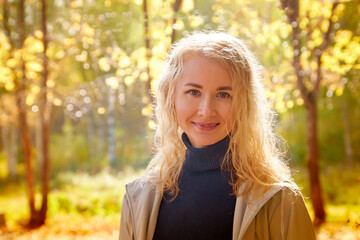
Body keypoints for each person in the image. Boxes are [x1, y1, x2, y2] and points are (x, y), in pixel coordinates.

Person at [119, 31, 316, 240]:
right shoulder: (138, 198)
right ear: (171, 96)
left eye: (223, 95)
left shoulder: (279, 200)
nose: (206, 110)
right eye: (194, 92)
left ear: (243, 103)